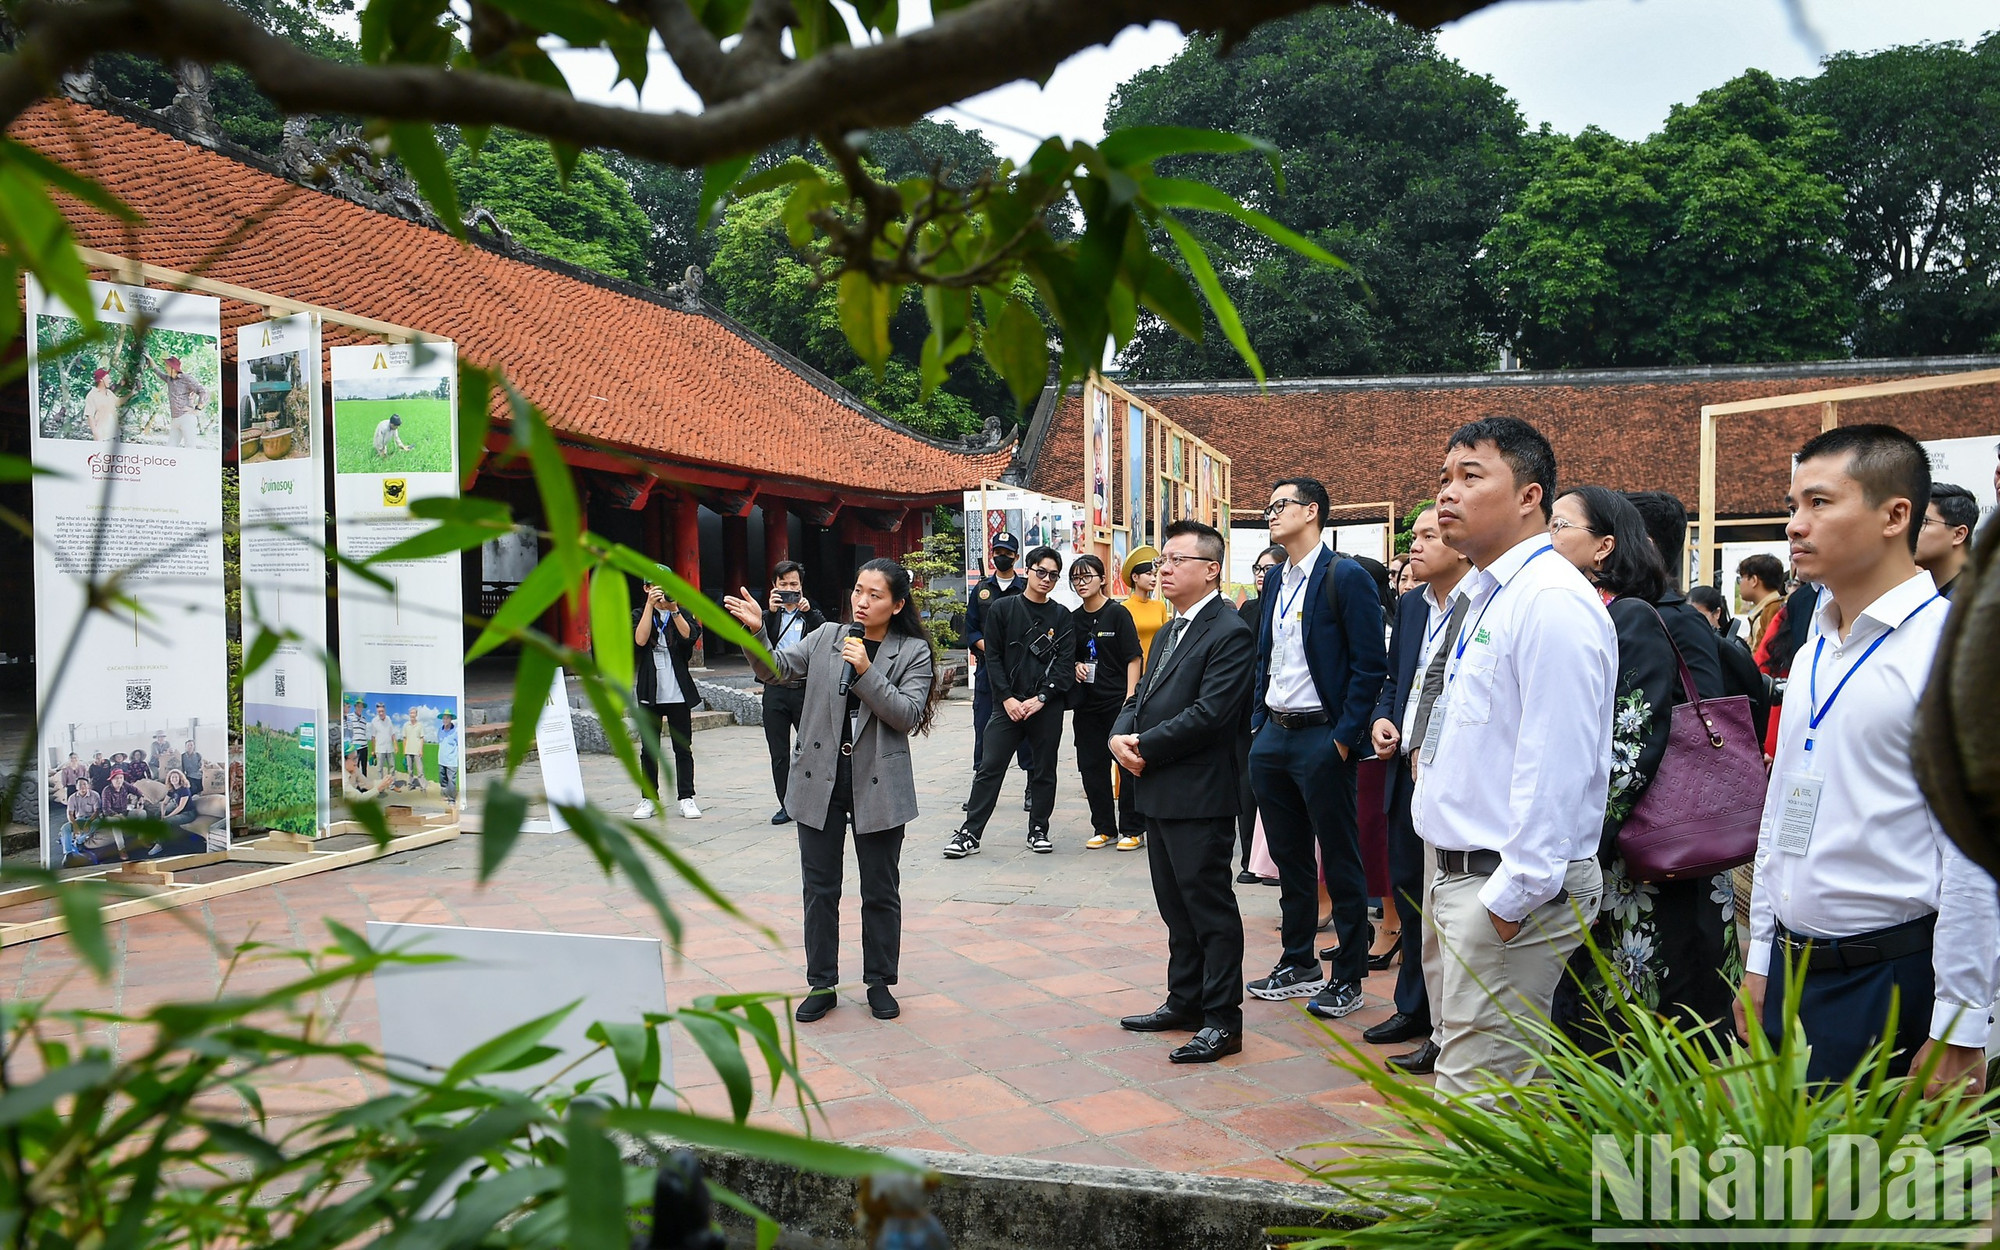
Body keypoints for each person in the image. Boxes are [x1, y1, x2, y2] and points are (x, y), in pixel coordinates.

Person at [1742, 424, 2000, 1091]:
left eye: (1820, 503)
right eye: (1793, 504)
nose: (1795, 525)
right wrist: (1762, 957)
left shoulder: (1951, 650)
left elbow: (1973, 851)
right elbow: (1780, 813)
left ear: (1895, 515)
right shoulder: (1812, 652)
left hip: (1888, 979)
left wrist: (1960, 1022)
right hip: (1792, 973)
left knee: (1871, 1190)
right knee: (1791, 1187)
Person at [1419, 416, 1614, 1095]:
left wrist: (1509, 900)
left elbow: (1557, 760)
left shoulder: (1551, 600)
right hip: (1462, 875)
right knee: (1484, 1084)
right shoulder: (1490, 595)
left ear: (1530, 496)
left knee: (1482, 1102)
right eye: (1445, 478)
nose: (1448, 494)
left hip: (1506, 889)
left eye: (1472, 477)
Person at [1545, 486, 1741, 1046]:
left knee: (1647, 1019)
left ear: (1605, 547)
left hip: (1646, 855)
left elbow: (1632, 748)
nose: (1545, 537)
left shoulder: (1631, 617)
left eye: (1559, 526)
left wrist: (1578, 847)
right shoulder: (1583, 615)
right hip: (1612, 852)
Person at [723, 560, 944, 1024]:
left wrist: (865, 671)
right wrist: (757, 634)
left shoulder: (913, 651)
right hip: (819, 777)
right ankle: (821, 983)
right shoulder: (826, 636)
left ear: (897, 604)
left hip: (878, 781)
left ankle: (879, 981)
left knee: (880, 889)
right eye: (858, 591)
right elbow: (778, 671)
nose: (861, 602)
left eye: (875, 595)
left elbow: (905, 714)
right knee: (819, 888)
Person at [1111, 519, 1257, 1063]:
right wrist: (1117, 735)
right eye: (1161, 561)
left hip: (1201, 792)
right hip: (1159, 789)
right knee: (1175, 906)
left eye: (1175, 560)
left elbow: (1210, 714)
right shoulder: (1171, 629)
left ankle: (1223, 1019)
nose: (1162, 569)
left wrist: (1141, 742)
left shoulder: (1229, 631)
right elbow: (1141, 693)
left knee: (1209, 908)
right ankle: (1185, 999)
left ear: (1211, 569)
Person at [1245, 477, 1389, 1020]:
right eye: (1269, 506)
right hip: (1274, 735)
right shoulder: (1277, 577)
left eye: (1279, 505)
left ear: (1311, 512)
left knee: (1341, 859)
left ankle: (1348, 974)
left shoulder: (1345, 576)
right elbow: (1268, 657)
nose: (1271, 513)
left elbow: (1369, 664)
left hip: (1322, 736)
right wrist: (1260, 722)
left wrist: (1343, 741)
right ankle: (1298, 959)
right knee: (1289, 858)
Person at [1365, 504, 1471, 1075]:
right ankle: (1414, 1007)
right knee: (1409, 891)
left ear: (1458, 543)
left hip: (1449, 777)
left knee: (1445, 905)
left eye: (1429, 535)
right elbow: (1393, 680)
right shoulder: (1410, 606)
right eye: (1414, 537)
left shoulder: (1479, 605)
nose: (1415, 546)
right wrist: (1384, 719)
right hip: (1403, 767)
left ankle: (1446, 1028)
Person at [944, 545, 1074, 857]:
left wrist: (1042, 697)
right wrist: (1008, 699)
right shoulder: (1003, 609)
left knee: (1044, 768)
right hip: (1008, 705)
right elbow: (994, 658)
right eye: (1041, 571)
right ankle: (970, 833)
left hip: (1045, 705)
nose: (1046, 579)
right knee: (990, 766)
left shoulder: (1061, 615)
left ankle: (1039, 828)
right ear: (1027, 569)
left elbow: (1065, 664)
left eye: (1053, 575)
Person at [1068, 555, 1143, 851]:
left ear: (1102, 579)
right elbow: (1068, 656)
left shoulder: (1118, 614)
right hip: (1086, 705)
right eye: (1076, 579)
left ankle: (1133, 828)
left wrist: (1130, 700)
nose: (1082, 583)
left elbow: (1133, 657)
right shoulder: (1073, 619)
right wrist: (1074, 665)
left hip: (1117, 703)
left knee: (1126, 765)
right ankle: (1103, 827)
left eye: (1087, 577)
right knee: (1091, 766)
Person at [964, 532, 1031, 797]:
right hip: (987, 672)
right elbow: (970, 630)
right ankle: (981, 787)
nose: (1001, 557)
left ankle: (1032, 787)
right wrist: (991, 650)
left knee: (1026, 729)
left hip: (1021, 672)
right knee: (983, 727)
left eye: (1007, 553)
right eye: (998, 552)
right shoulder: (981, 590)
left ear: (1016, 556)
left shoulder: (1026, 588)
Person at [1233, 545, 1285, 880]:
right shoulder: (1248, 609)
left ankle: (1279, 860)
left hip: (1282, 708)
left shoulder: (1288, 608)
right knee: (1246, 784)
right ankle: (1250, 859)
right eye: (1257, 568)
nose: (1261, 575)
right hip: (1246, 707)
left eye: (1268, 569)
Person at [760, 560, 826, 825]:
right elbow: (759, 643)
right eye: (783, 584)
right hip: (775, 690)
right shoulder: (767, 617)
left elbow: (825, 638)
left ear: (801, 587)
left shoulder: (811, 615)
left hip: (805, 689)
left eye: (794, 585)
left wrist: (809, 612)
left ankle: (823, 802)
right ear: (775, 587)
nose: (789, 589)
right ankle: (787, 805)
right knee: (779, 752)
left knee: (814, 748)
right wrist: (772, 612)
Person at [632, 581, 703, 820]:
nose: (661, 591)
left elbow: (690, 636)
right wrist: (650, 607)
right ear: (646, 588)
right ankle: (648, 798)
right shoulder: (640, 614)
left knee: (682, 747)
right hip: (650, 691)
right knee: (649, 749)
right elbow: (640, 641)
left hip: (678, 691)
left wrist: (673, 609)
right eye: (654, 586)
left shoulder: (680, 613)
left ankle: (686, 797)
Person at [1117, 545, 1170, 850]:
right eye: (1148, 573)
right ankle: (1130, 825)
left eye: (1155, 572)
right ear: (1134, 577)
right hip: (1134, 683)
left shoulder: (1160, 607)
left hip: (1158, 680)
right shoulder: (1123, 609)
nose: (1154, 578)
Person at [1916, 482, 1977, 599]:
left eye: (1923, 522)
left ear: (1958, 535)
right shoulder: (1913, 593)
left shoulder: (1979, 599)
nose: (1909, 530)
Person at [143, 353, 209, 447]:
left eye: (167, 366)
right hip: (175, 420)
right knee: (170, 447)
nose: (165, 368)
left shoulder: (186, 378)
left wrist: (197, 409)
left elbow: (203, 392)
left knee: (190, 447)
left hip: (187, 418)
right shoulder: (169, 379)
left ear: (172, 368)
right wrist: (150, 359)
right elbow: (157, 371)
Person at [59, 778, 100, 860]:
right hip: (79, 819)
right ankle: (68, 853)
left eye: (84, 784)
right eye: (80, 785)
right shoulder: (72, 798)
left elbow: (96, 812)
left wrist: (88, 823)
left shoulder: (95, 795)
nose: (82, 787)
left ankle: (79, 841)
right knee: (65, 828)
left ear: (88, 786)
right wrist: (74, 825)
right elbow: (70, 813)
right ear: (76, 787)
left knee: (96, 824)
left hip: (92, 819)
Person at [83, 367, 127, 441]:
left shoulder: (109, 393)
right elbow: (90, 416)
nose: (110, 381)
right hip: (103, 436)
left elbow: (118, 403)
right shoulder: (92, 395)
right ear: (101, 380)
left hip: (115, 434)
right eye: (108, 378)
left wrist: (131, 394)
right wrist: (96, 435)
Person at [369, 704, 397, 788]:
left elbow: (393, 733)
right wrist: (373, 750)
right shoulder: (374, 721)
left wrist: (395, 745)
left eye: (382, 711)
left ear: (385, 710)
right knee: (379, 769)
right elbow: (373, 737)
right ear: (377, 712)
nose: (381, 713)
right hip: (380, 748)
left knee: (392, 767)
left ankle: (391, 785)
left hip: (389, 748)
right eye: (379, 711)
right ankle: (380, 786)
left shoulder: (388, 719)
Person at [436, 710, 460, 805]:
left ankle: (452, 799)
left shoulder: (456, 731)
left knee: (451, 780)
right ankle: (445, 795)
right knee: (443, 780)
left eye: (447, 718)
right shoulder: (440, 730)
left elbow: (459, 744)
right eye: (444, 718)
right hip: (441, 759)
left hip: (451, 760)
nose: (445, 720)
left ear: (451, 719)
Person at [402, 708, 427, 791]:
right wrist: (404, 750)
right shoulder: (406, 725)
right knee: (410, 769)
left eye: (414, 713)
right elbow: (404, 738)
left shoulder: (420, 725)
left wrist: (421, 750)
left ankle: (423, 786)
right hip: (408, 750)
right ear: (409, 714)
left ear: (416, 714)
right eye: (411, 713)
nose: (412, 714)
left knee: (420, 770)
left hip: (417, 751)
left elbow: (422, 738)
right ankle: (411, 784)